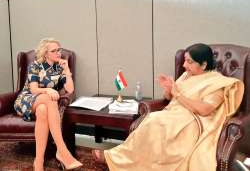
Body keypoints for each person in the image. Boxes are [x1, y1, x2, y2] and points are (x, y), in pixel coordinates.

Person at [92, 43, 244, 171]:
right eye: (185, 60)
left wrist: (177, 94)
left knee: (158, 123)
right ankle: (124, 159)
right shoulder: (187, 75)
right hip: (175, 114)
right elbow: (171, 98)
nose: (184, 65)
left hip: (194, 121)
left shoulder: (217, 83)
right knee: (151, 120)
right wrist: (168, 90)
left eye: (189, 62)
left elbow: (205, 110)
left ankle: (118, 159)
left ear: (204, 65)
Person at [14, 38, 83, 171]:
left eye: (59, 50)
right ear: (46, 53)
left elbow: (70, 89)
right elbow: (33, 90)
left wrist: (67, 70)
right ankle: (62, 150)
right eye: (54, 51)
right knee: (49, 99)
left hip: (42, 105)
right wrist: (48, 90)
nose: (58, 53)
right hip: (26, 100)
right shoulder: (35, 65)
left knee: (42, 110)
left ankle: (38, 161)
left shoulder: (59, 67)